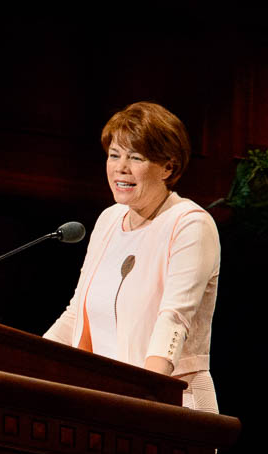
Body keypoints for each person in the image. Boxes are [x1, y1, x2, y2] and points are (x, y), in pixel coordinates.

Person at [44, 101, 220, 413]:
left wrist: (144, 402)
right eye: (114, 155)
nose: (120, 167)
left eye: (136, 157)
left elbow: (173, 321)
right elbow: (76, 316)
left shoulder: (190, 224)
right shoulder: (110, 220)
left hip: (168, 405)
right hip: (105, 401)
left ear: (168, 167)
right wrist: (27, 365)